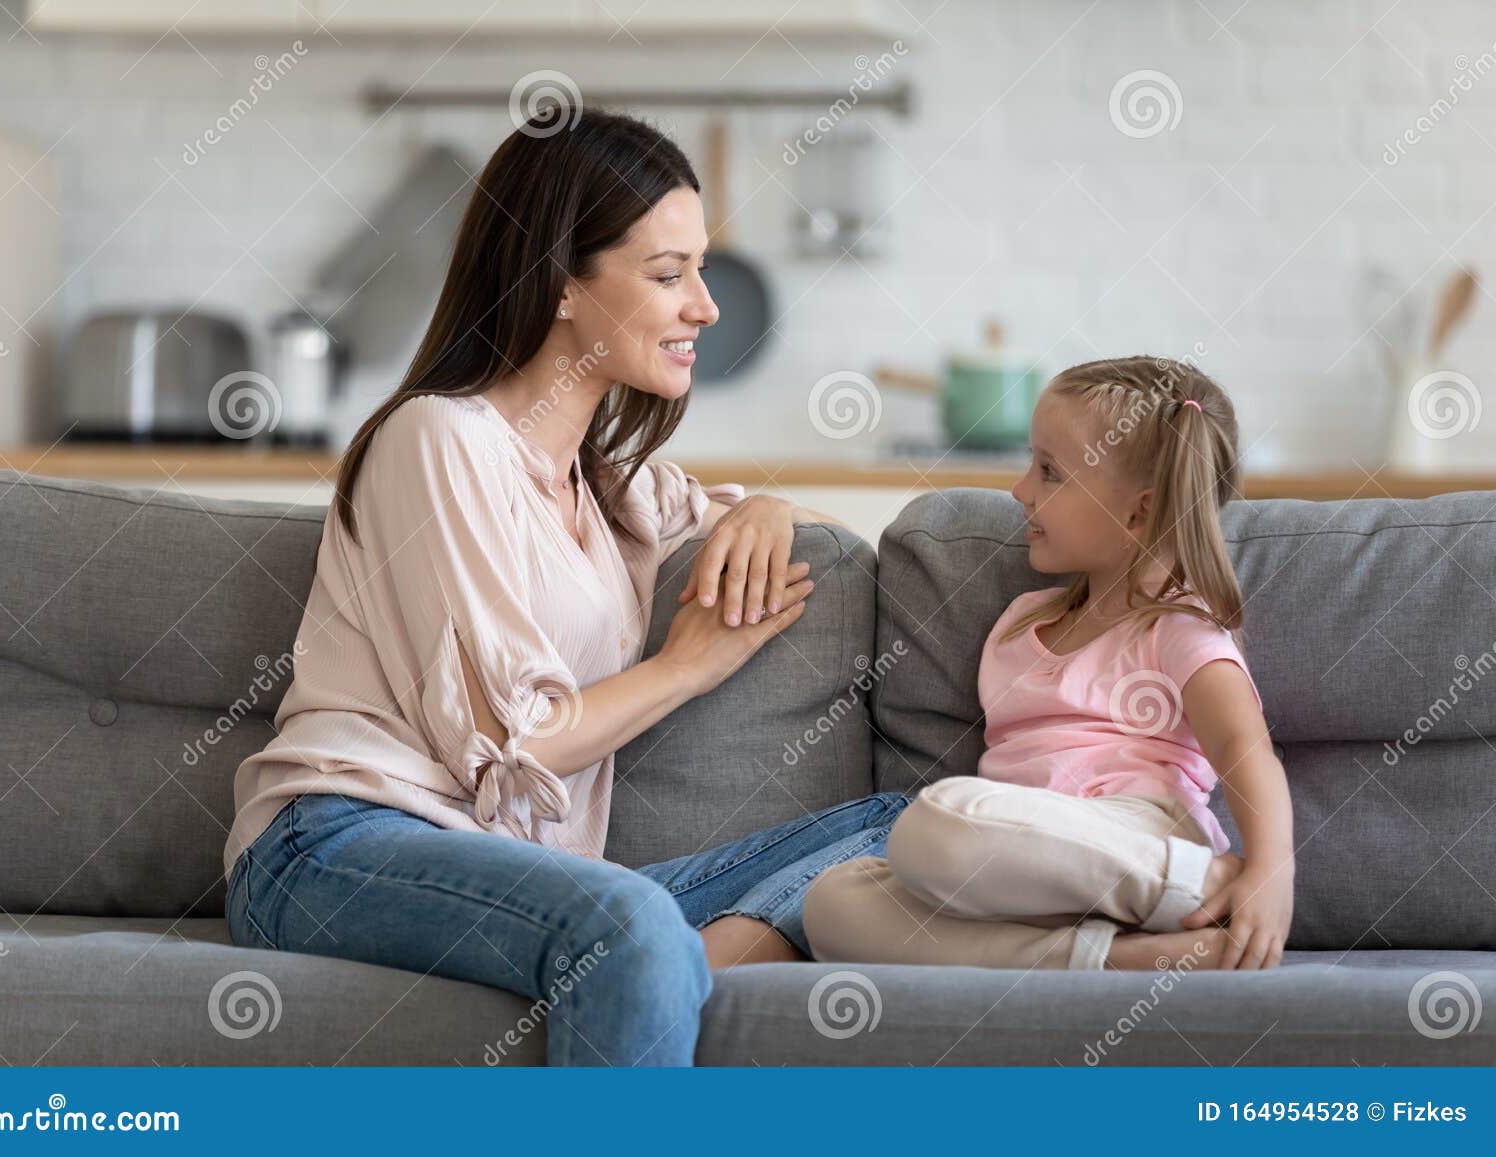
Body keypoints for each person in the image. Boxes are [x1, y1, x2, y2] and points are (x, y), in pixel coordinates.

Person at [222, 106, 910, 1066]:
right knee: (626, 920)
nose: (704, 306)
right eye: (668, 276)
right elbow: (509, 746)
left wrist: (771, 508)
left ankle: (676, 968)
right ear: (559, 286)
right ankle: (652, 960)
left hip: (520, 871)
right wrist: (686, 667)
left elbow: (821, 533)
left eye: (699, 271)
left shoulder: (611, 488)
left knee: (901, 827)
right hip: (341, 844)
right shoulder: (439, 438)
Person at [804, 356, 1294, 972]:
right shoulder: (1018, 623)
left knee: (935, 823)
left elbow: (1248, 751)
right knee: (831, 902)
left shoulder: (1177, 627)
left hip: (1133, 836)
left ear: (1137, 512)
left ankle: (1197, 880)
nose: (1019, 490)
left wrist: (1271, 872)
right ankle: (1112, 959)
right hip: (1022, 872)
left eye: (1049, 472)